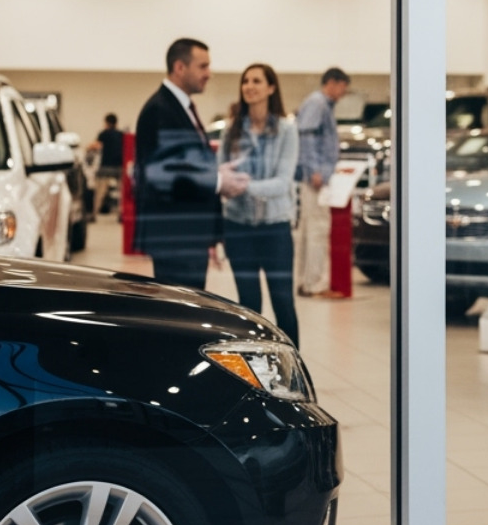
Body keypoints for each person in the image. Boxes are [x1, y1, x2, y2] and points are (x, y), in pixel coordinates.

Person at [133, 38, 248, 288]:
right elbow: (162, 175)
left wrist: (215, 172)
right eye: (203, 66)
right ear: (180, 68)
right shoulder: (160, 110)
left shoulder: (179, 107)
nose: (209, 73)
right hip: (175, 235)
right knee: (179, 316)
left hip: (187, 233)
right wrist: (218, 181)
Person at [221, 64, 301, 345]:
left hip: (275, 228)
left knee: (283, 303)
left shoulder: (286, 131)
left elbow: (282, 183)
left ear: (271, 88)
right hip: (237, 227)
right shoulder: (232, 130)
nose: (249, 86)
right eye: (245, 81)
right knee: (248, 306)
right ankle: (257, 374)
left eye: (256, 81)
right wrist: (227, 184)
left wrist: (241, 186)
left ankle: (293, 374)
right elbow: (222, 174)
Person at [295, 66, 351, 297]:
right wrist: (315, 170)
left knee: (309, 230)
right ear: (333, 83)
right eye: (342, 88)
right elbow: (306, 138)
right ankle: (315, 284)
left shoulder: (319, 104)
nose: (342, 94)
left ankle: (306, 281)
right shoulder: (318, 103)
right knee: (317, 229)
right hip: (314, 179)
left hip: (313, 177)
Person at [90, 113, 124, 217]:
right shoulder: (121, 134)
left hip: (106, 166)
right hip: (119, 166)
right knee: (121, 192)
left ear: (106, 122)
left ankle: (94, 213)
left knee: (100, 191)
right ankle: (121, 213)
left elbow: (95, 146)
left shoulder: (103, 134)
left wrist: (87, 148)